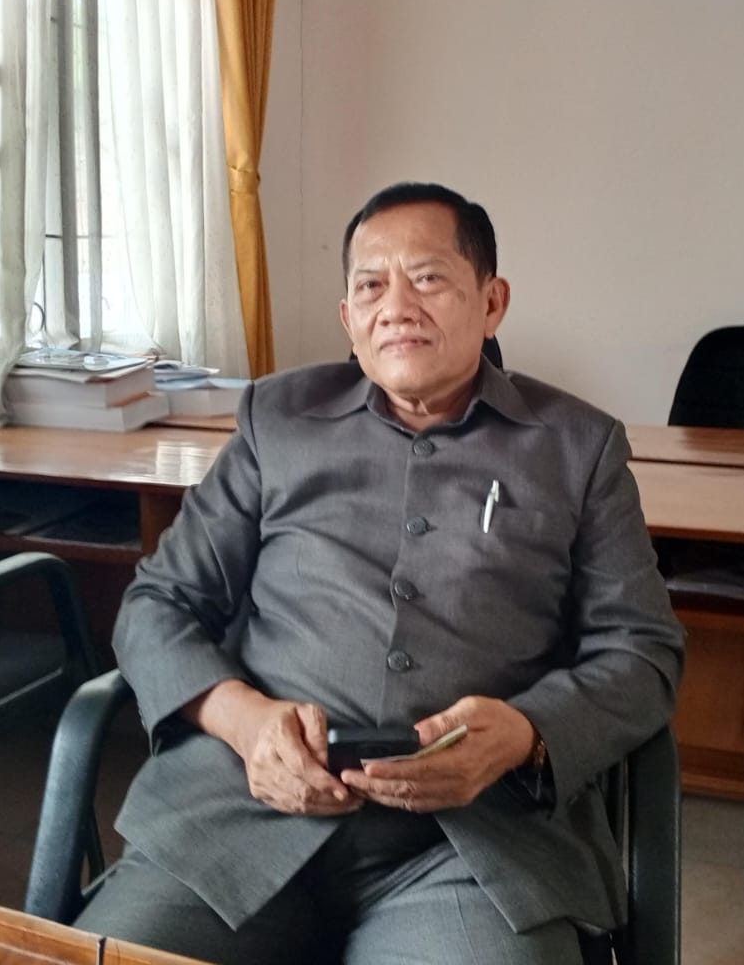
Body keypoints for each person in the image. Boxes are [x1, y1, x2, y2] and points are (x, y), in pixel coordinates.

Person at [81, 182, 685, 964]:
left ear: (492, 302)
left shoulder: (577, 447)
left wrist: (525, 733)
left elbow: (642, 650)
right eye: (370, 286)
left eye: (428, 278)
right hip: (244, 807)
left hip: (472, 841)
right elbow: (158, 604)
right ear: (348, 318)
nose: (396, 306)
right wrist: (244, 721)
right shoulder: (278, 419)